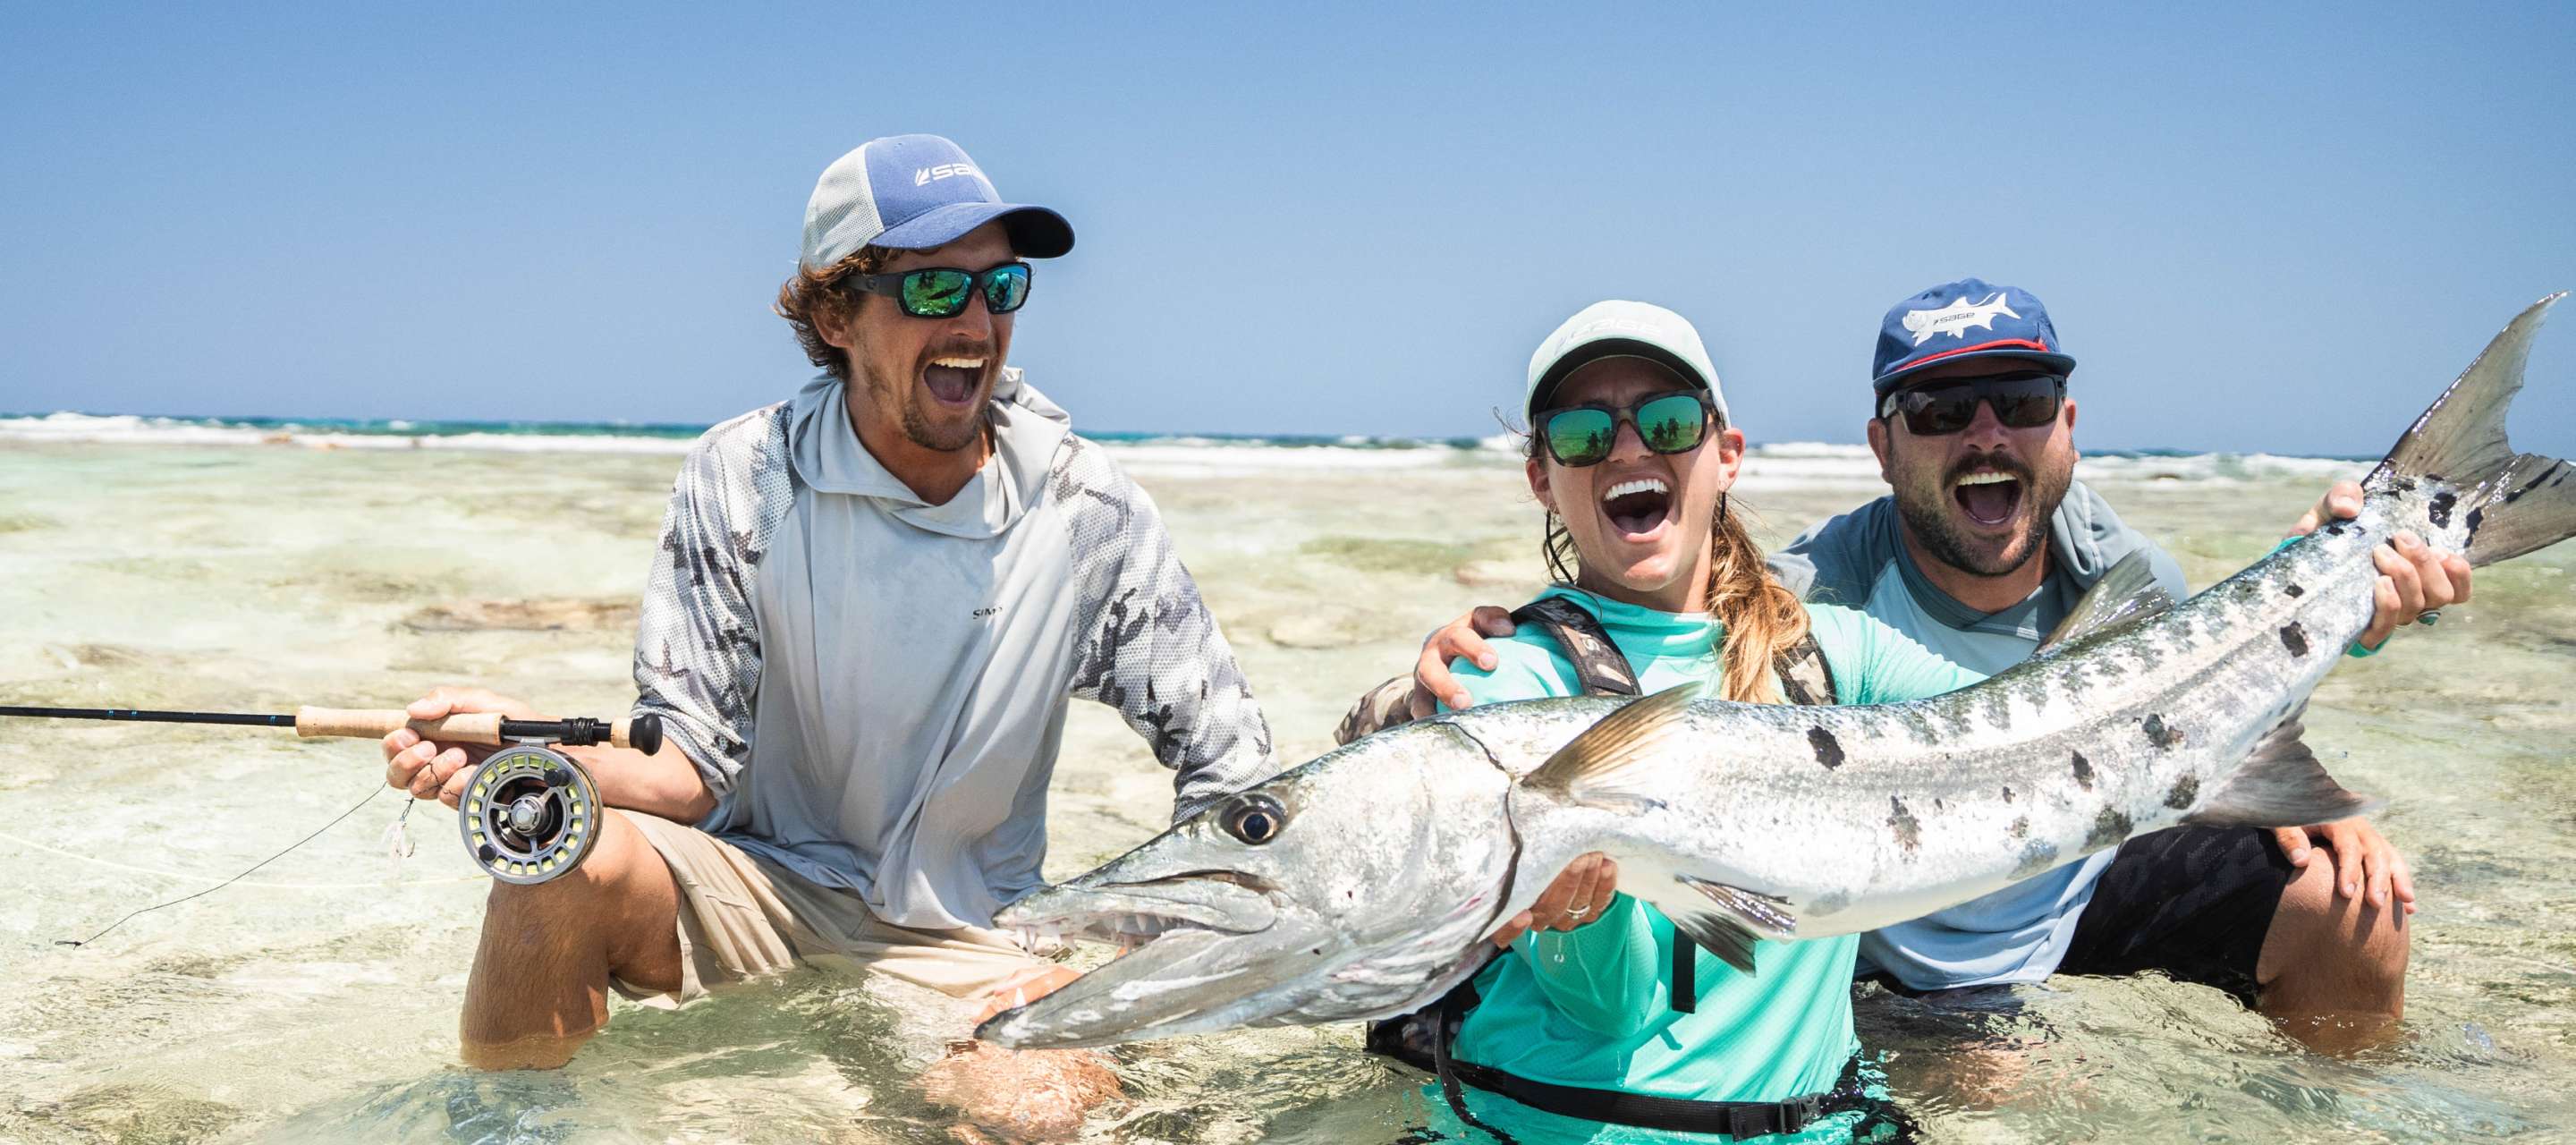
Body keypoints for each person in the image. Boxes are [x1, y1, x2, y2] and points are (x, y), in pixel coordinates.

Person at [1355, 279, 2469, 1054]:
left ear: (2067, 427)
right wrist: (1428, 694)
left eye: (2020, 403)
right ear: (1884, 444)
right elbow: (1662, 637)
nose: (1986, 433)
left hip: (2065, 876)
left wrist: (2345, 593)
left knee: (2356, 900)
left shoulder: (2128, 568)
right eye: (1941, 410)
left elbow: (2205, 698)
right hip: (1899, 924)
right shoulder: (1808, 607)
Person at [378, 134, 1276, 1080]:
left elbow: (1232, 766)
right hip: (759, 891)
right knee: (549, 848)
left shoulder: (1085, 507)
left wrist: (1132, 957)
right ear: (836, 313)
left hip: (975, 929)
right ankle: (505, 1127)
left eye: (998, 286)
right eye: (934, 289)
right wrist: (522, 752)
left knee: (1033, 1108)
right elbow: (691, 767)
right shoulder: (744, 475)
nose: (975, 321)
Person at [1412, 300, 1986, 1142]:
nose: (1631, 449)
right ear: (1543, 477)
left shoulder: (1839, 656)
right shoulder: (1510, 683)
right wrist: (1580, 916)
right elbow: (1609, 1010)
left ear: (1726, 457)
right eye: (1582, 434)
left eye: (1669, 421)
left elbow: (2039, 727)